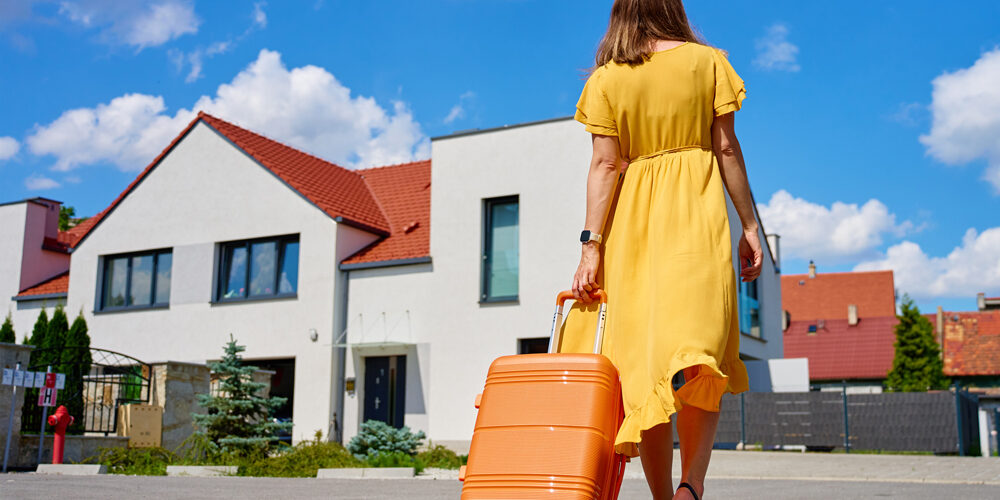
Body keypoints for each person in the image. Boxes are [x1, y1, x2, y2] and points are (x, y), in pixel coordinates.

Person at [562, 1, 762, 498]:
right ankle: (690, 486)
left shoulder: (607, 79)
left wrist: (591, 247)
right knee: (700, 354)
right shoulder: (708, 61)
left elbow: (604, 168)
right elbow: (727, 149)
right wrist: (751, 224)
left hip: (630, 226)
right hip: (696, 218)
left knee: (645, 366)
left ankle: (661, 496)